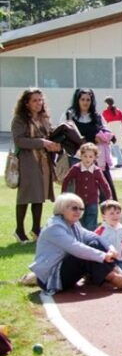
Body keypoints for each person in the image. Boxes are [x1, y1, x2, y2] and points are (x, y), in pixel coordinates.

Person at [29, 193, 122, 294]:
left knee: (94, 242)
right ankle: (114, 278)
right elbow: (75, 247)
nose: (79, 211)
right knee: (84, 254)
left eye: (81, 208)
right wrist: (103, 256)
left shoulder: (73, 223)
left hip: (64, 269)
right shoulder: (54, 227)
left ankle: (119, 272)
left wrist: (110, 248)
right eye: (74, 208)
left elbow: (93, 236)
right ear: (62, 209)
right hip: (51, 278)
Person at [11, 88, 60, 243]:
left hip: (43, 161)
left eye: (40, 100)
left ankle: (36, 229)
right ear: (26, 103)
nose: (39, 103)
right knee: (25, 196)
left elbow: (50, 133)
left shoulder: (44, 118)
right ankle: (19, 230)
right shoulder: (19, 119)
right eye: (35, 100)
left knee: (39, 195)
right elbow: (19, 140)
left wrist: (56, 142)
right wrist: (42, 142)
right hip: (27, 161)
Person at [63, 88, 117, 201]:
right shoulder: (69, 115)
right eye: (82, 99)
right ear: (77, 100)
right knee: (77, 191)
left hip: (96, 158)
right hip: (76, 158)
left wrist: (104, 137)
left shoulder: (97, 117)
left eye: (88, 99)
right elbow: (63, 134)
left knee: (105, 189)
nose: (85, 102)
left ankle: (109, 214)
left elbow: (106, 131)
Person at [60, 143, 112, 231]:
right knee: (79, 222)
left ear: (95, 157)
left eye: (90, 156)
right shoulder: (76, 168)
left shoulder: (97, 171)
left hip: (93, 201)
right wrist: (64, 195)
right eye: (85, 156)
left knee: (91, 223)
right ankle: (79, 240)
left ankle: (90, 241)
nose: (88, 159)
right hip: (79, 201)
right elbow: (66, 180)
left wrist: (108, 198)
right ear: (81, 156)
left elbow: (104, 184)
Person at [95, 200, 122, 271]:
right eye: (111, 213)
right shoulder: (100, 231)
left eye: (118, 213)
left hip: (119, 260)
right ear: (103, 216)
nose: (115, 216)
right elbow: (93, 245)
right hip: (104, 261)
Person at [101, 97, 122, 168]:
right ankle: (119, 161)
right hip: (118, 129)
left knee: (108, 146)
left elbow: (102, 122)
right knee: (116, 146)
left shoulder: (105, 112)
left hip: (110, 129)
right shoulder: (118, 111)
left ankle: (111, 162)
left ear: (106, 103)